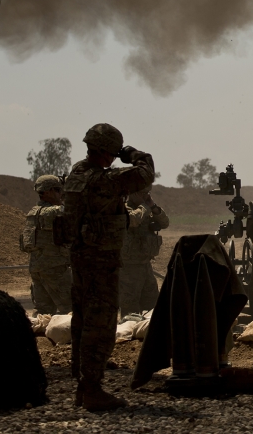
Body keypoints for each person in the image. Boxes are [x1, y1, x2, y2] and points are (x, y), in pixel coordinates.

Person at [62, 123, 155, 411]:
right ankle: (92, 389)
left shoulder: (77, 174)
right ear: (106, 153)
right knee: (101, 323)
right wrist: (134, 154)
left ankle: (82, 380)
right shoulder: (106, 180)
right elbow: (145, 174)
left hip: (79, 256)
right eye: (113, 154)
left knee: (82, 317)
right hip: (101, 259)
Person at [20, 175, 72, 315]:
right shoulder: (53, 212)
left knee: (42, 311)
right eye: (58, 190)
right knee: (71, 308)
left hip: (37, 267)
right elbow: (73, 210)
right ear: (48, 192)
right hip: (54, 268)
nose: (60, 193)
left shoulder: (33, 212)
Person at [120, 189, 169, 318]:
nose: (145, 195)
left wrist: (153, 207)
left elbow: (165, 223)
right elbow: (132, 220)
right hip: (129, 267)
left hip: (145, 265)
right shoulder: (124, 208)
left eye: (147, 192)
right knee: (130, 309)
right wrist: (145, 206)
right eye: (142, 192)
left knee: (152, 306)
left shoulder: (146, 210)